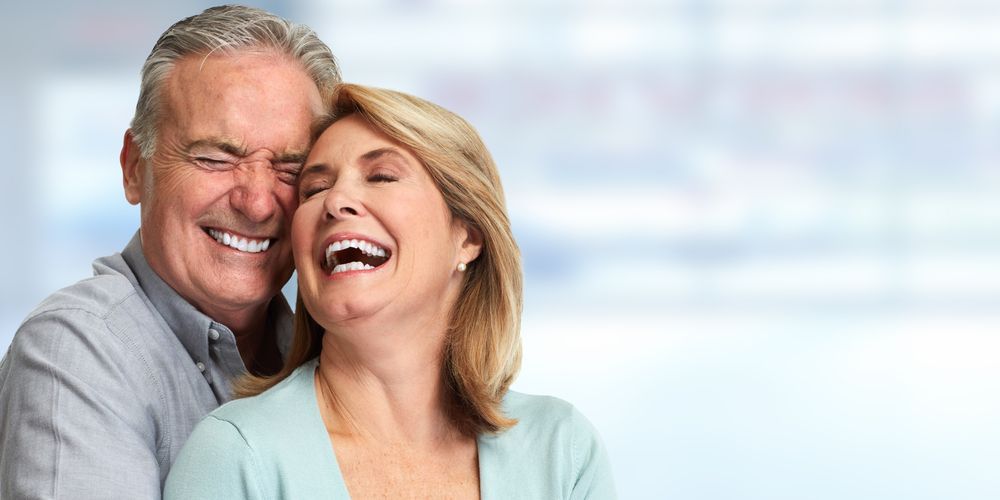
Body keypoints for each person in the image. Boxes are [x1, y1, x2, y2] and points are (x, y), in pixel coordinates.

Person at [162, 84, 616, 499]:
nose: (336, 201)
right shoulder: (235, 454)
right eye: (315, 188)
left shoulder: (562, 450)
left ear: (468, 235)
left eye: (381, 176)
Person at [0, 5, 340, 498]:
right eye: (215, 158)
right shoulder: (76, 351)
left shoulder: (323, 350)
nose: (258, 201)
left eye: (290, 168)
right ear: (135, 168)